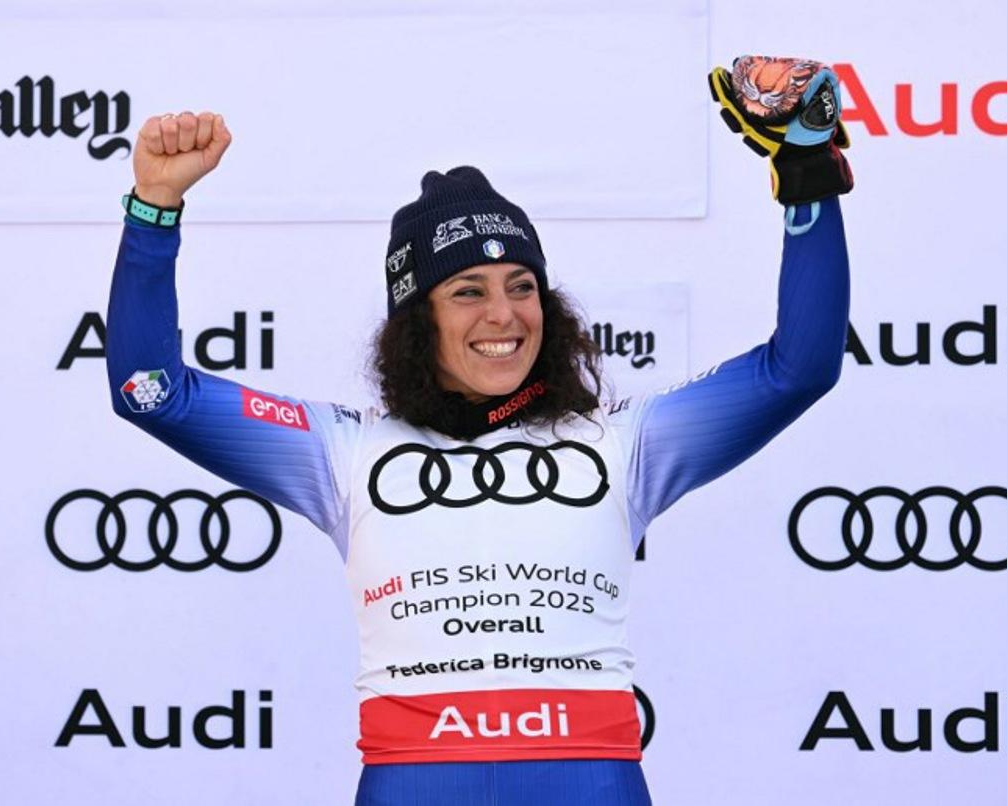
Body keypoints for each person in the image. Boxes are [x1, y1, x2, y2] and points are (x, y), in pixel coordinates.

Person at [106, 55, 853, 806]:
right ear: (416, 322)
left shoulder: (623, 443)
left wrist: (807, 168)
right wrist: (154, 209)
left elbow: (800, 369)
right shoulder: (344, 450)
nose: (503, 316)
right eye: (467, 291)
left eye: (521, 287)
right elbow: (149, 391)